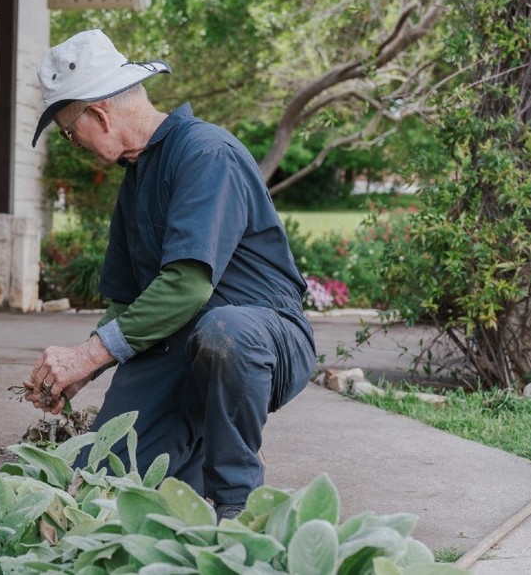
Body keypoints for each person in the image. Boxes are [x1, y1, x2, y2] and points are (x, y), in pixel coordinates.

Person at [23, 29, 316, 521]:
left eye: (70, 133)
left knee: (224, 332)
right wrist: (84, 368)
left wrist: (89, 354)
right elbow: (123, 301)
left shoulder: (205, 154)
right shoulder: (136, 181)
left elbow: (188, 284)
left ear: (99, 114)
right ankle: (194, 463)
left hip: (262, 338)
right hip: (177, 342)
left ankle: (240, 507)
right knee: (99, 477)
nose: (73, 144)